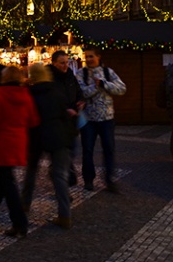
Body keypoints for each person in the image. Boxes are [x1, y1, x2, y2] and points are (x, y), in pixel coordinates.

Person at [0, 66, 40, 238]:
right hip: (18, 142)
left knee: (8, 182)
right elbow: (33, 120)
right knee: (3, 178)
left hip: (1, 144)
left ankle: (19, 222)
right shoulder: (26, 95)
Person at [21, 64, 75, 229]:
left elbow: (27, 118)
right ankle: (65, 215)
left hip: (37, 137)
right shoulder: (56, 91)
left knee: (31, 173)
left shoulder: (30, 94)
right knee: (59, 176)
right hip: (58, 136)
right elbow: (64, 113)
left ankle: (24, 205)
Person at [75, 46, 126, 193]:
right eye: (87, 56)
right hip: (88, 120)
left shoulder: (108, 73)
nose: (89, 59)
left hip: (107, 119)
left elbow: (122, 89)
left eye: (91, 56)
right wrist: (95, 86)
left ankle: (110, 180)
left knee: (109, 149)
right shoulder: (81, 73)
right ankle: (88, 180)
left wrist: (104, 84)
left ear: (98, 57)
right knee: (88, 150)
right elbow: (83, 92)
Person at [47, 50, 85, 187]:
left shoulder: (70, 76)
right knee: (62, 153)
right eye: (62, 63)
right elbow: (49, 101)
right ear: (54, 63)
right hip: (57, 122)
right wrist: (64, 110)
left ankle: (60, 172)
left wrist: (80, 101)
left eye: (67, 62)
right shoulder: (49, 78)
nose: (65, 66)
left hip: (71, 122)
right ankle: (62, 181)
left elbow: (78, 92)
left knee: (72, 150)